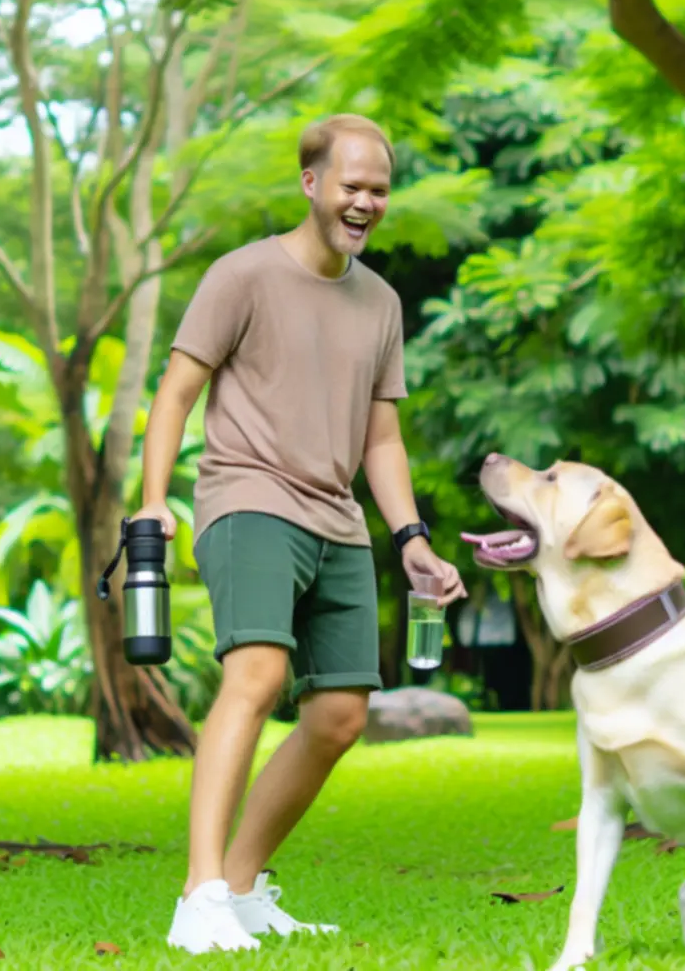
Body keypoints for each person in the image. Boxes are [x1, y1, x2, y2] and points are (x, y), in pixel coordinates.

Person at [132, 113, 466, 955]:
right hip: (247, 497)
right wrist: (151, 501)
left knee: (341, 714)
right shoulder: (242, 276)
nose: (366, 202)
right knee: (257, 672)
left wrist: (413, 538)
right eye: (352, 185)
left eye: (380, 190)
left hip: (338, 520)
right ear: (311, 183)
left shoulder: (382, 301)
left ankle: (240, 887)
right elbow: (175, 393)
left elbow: (381, 437)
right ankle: (198, 893)